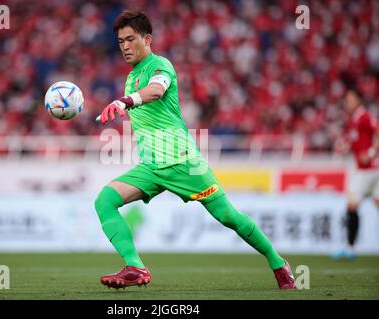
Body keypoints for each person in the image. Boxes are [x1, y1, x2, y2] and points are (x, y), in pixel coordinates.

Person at [94, 10, 295, 290]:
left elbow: (157, 91)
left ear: (147, 39)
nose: (125, 46)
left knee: (228, 217)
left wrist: (126, 101)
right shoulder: (130, 78)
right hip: (151, 167)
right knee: (104, 201)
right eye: (120, 41)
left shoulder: (160, 65)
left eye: (130, 39)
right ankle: (135, 267)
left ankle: (278, 263)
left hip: (183, 162)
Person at [331, 88, 379, 260]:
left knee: (351, 206)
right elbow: (356, 142)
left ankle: (350, 248)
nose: (347, 102)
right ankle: (350, 247)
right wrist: (345, 148)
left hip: (366, 171)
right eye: (346, 99)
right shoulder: (353, 120)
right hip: (370, 171)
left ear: (359, 100)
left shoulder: (365, 116)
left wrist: (371, 153)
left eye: (350, 99)